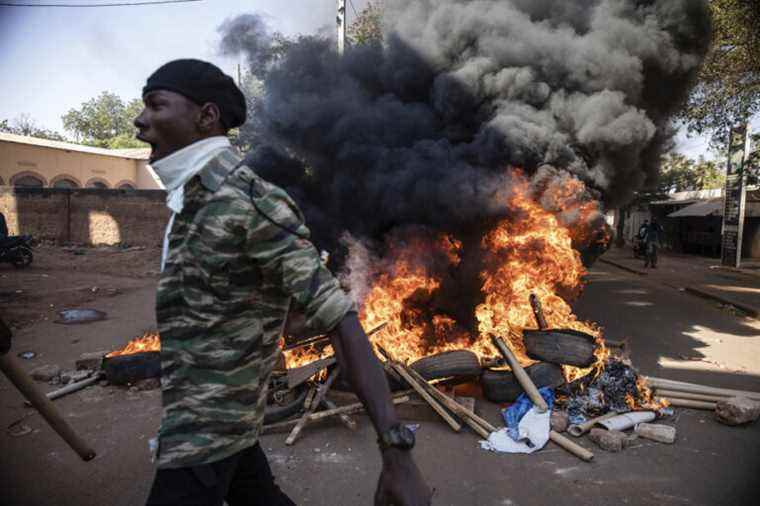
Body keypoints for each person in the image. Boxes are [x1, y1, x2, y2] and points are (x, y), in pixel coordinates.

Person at [134, 59, 431, 506]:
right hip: (209, 419)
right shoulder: (192, 201)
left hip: (207, 430)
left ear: (206, 116)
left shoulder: (249, 202)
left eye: (156, 105)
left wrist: (397, 452)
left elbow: (341, 320)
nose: (140, 121)